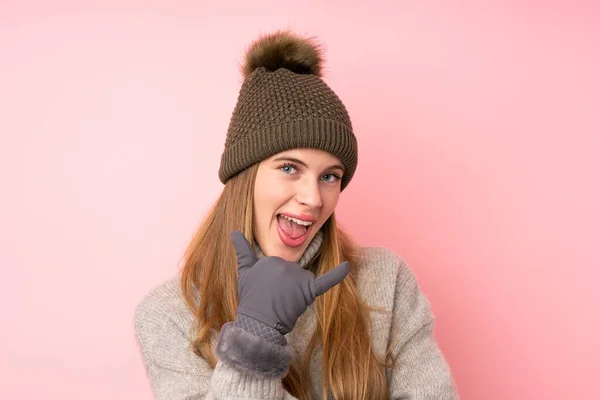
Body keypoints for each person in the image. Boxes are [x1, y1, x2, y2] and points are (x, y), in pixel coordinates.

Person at [134, 29, 458, 400]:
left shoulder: (385, 280)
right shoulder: (169, 315)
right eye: (289, 167)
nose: (313, 198)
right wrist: (255, 339)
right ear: (246, 175)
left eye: (329, 177)